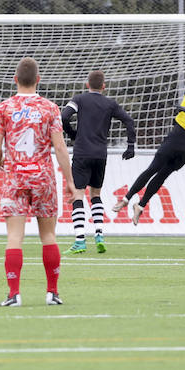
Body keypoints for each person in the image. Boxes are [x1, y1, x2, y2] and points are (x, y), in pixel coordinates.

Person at [0, 57, 80, 307]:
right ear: (38, 80)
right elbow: (60, 147)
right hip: (43, 178)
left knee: (14, 238)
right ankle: (52, 293)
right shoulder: (50, 108)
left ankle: (13, 294)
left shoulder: (4, 108)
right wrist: (70, 181)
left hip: (15, 177)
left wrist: (1, 161)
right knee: (49, 236)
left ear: (15, 79)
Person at [114, 38, 185, 224]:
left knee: (163, 175)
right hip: (176, 137)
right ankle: (127, 198)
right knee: (153, 168)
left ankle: (141, 205)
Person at [61, 70, 136, 254]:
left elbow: (63, 116)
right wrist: (130, 146)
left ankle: (80, 241)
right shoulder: (110, 104)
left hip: (82, 153)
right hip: (100, 155)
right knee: (95, 194)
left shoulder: (79, 99)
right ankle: (99, 235)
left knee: (78, 195)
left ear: (88, 84)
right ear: (104, 86)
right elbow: (129, 121)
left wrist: (72, 134)